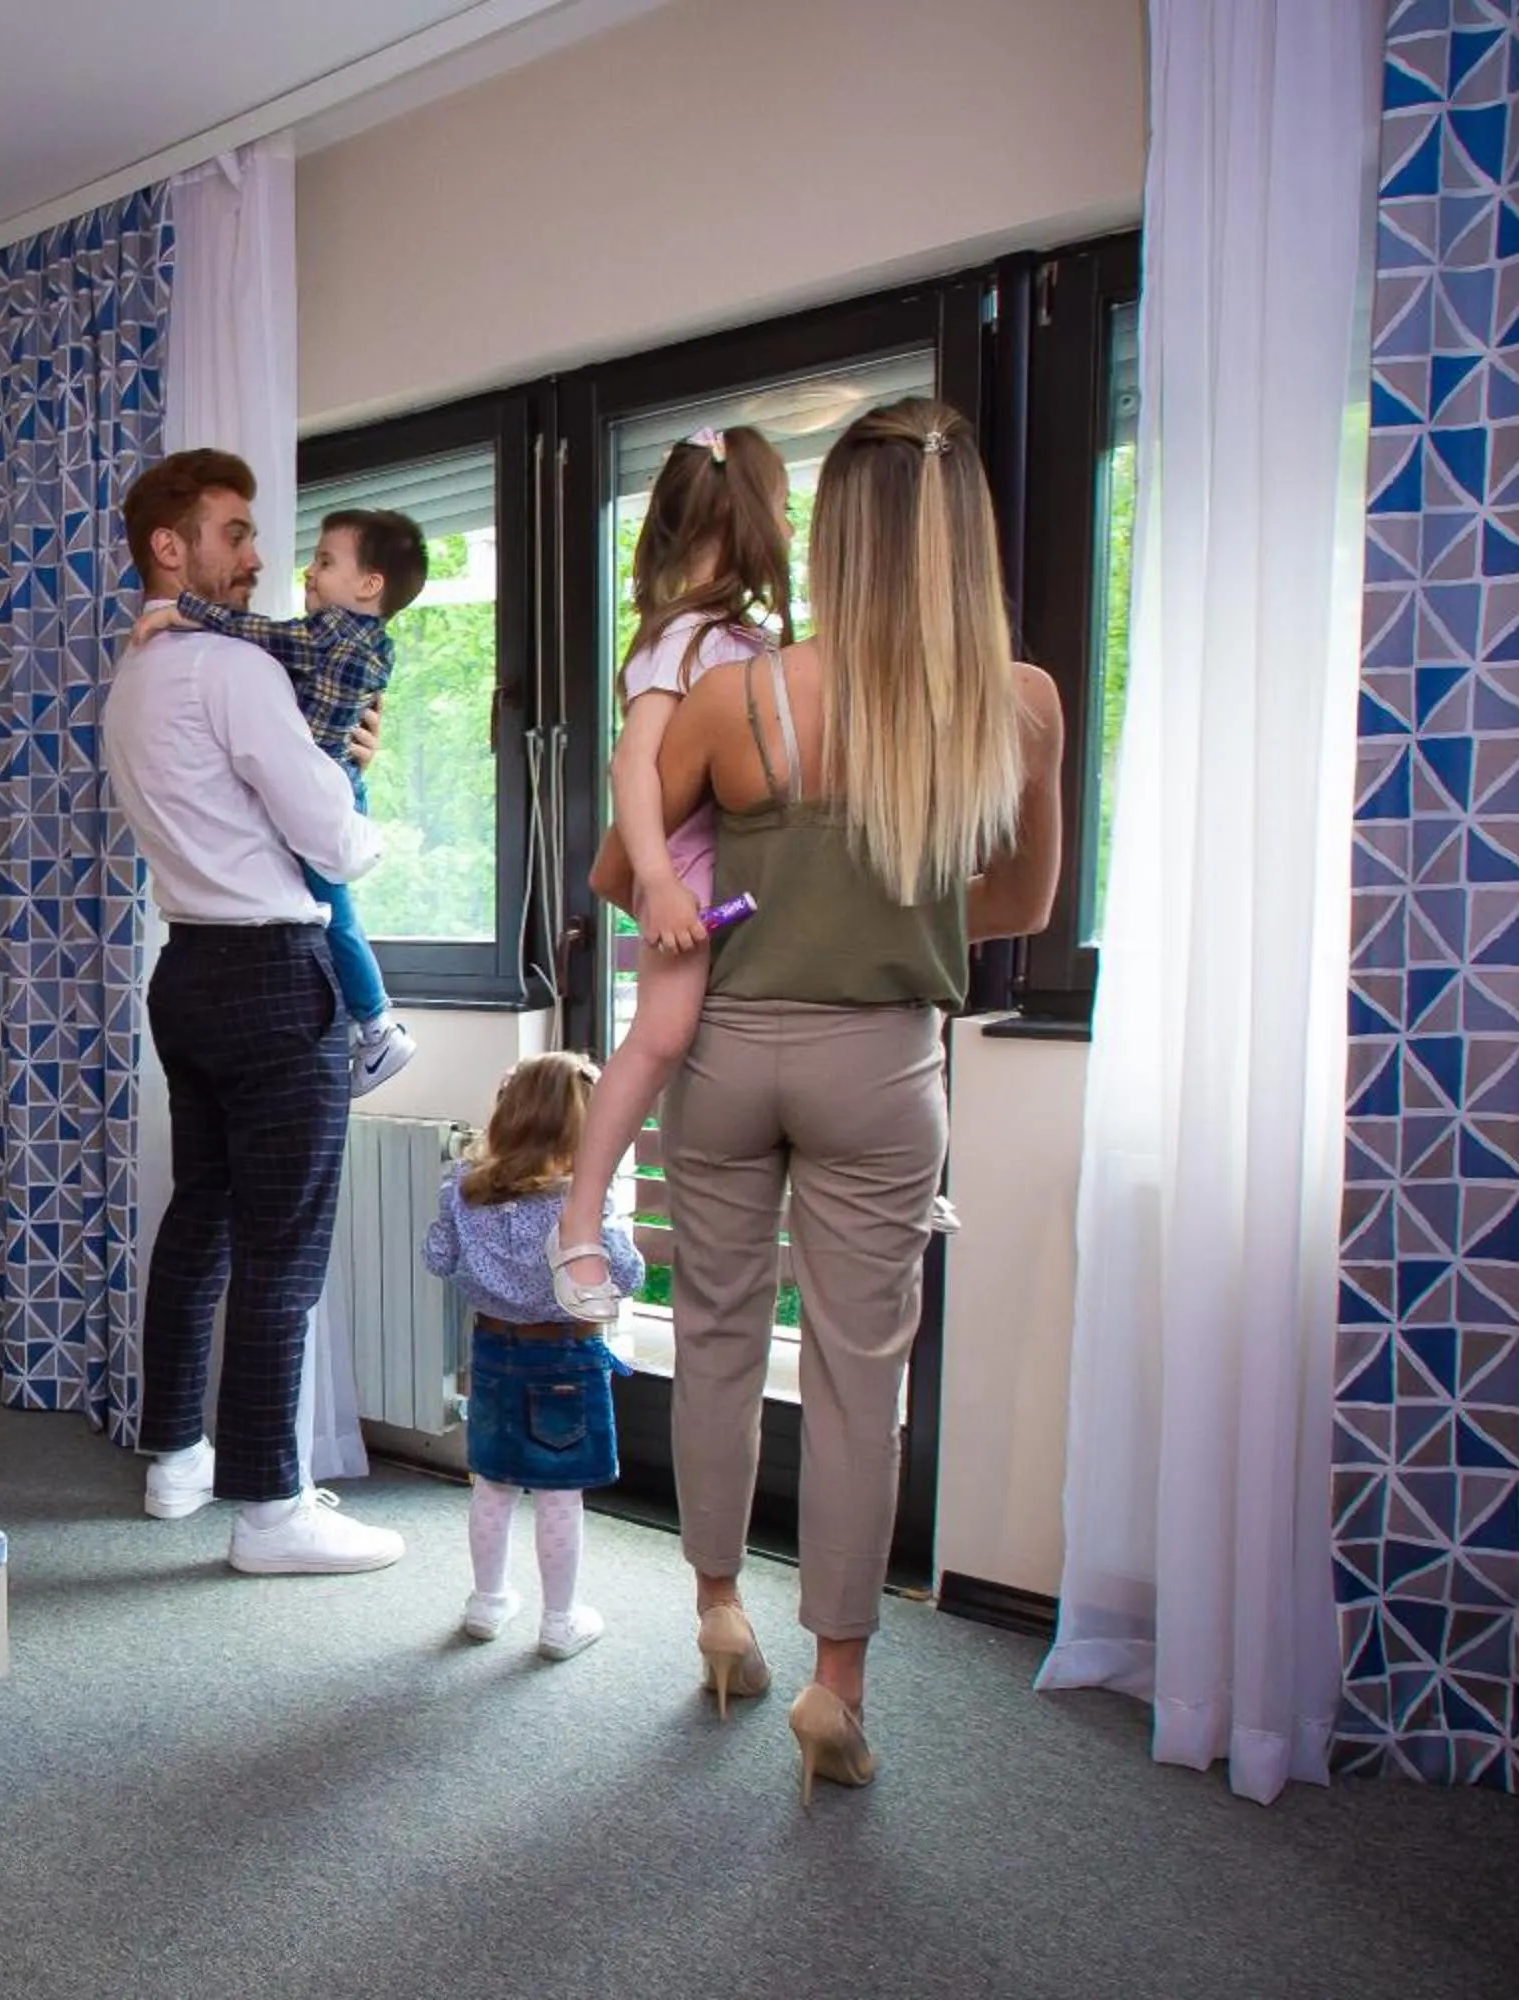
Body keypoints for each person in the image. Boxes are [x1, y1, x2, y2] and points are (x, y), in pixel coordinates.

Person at [644, 397, 1064, 1800]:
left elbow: (623, 877)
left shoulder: (738, 696)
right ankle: (837, 1688)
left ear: (840, 533)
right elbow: (1017, 901)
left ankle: (716, 1612)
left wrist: (747, 869)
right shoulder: (1016, 702)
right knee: (853, 1381)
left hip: (726, 1054)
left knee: (711, 1334)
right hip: (883, 1061)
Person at [101, 447, 406, 1576]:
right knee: (284, 1245)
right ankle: (273, 1507)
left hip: (187, 972)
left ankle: (174, 1454)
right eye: (234, 531)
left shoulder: (133, 678)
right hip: (276, 978)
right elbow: (330, 839)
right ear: (171, 548)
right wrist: (362, 802)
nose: (259, 555)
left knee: (202, 1219)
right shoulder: (231, 673)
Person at [546, 426, 793, 1323]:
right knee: (659, 1036)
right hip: (693, 865)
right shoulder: (685, 640)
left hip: (759, 862)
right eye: (787, 510)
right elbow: (633, 765)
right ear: (754, 519)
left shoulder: (746, 638)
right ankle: (577, 1222)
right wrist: (655, 877)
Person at [135, 508, 431, 1098]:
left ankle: (375, 1023)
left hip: (330, 779)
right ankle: (368, 1021)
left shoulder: (329, 636)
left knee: (332, 903)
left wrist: (181, 611)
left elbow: (261, 635)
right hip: (338, 775)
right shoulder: (364, 640)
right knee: (332, 900)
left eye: (324, 562)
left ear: (369, 585)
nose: (309, 573)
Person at [420, 1052, 640, 1660]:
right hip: (565, 1357)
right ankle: (559, 1622)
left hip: (492, 1352)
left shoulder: (461, 1191)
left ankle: (486, 1603)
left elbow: (438, 1260)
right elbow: (627, 1275)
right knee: (559, 1494)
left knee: (492, 1484)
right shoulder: (581, 1203)